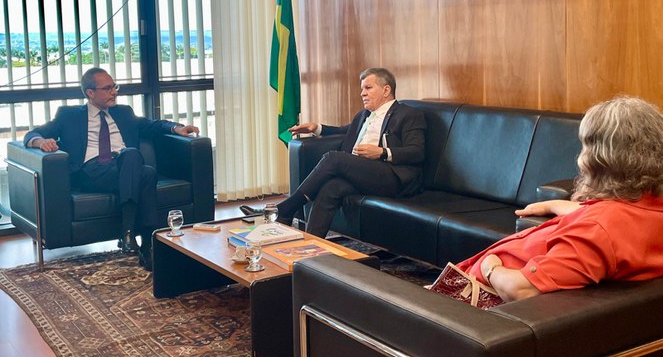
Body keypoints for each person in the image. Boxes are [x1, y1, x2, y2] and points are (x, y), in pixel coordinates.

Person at [449, 96, 663, 303]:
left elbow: (520, 290)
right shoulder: (645, 210)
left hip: (474, 301)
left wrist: (490, 268)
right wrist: (555, 204)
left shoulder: (597, 230)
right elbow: (623, 222)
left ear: (600, 159)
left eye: (586, 146)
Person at [24, 67, 199, 271]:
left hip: (125, 168)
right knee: (141, 167)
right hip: (91, 172)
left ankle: (140, 243)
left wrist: (177, 128)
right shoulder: (68, 116)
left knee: (142, 167)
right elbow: (32, 134)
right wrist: (41, 142)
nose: (114, 92)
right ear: (90, 93)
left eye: (115, 87)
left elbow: (152, 125)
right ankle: (139, 237)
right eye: (107, 88)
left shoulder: (123, 112)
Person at [242, 67, 426, 238]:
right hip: (363, 173)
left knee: (334, 158)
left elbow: (417, 151)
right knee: (331, 188)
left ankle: (285, 209)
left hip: (392, 177)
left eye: (368, 88)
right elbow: (344, 131)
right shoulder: (363, 115)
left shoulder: (408, 114)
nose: (362, 93)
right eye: (362, 89)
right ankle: (311, 247)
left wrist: (382, 152)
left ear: (386, 90)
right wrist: (317, 128)